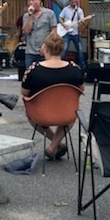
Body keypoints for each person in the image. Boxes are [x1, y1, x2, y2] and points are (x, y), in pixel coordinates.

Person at [21, 30, 84, 160]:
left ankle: (53, 146)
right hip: (66, 114)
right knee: (73, 112)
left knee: (30, 113)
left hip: (40, 115)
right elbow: (81, 89)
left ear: (45, 48)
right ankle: (55, 145)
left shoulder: (34, 69)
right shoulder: (74, 68)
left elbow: (24, 93)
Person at [22, 0, 57, 67]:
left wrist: (45, 45)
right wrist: (30, 15)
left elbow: (54, 31)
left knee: (45, 75)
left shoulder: (49, 13)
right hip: (30, 52)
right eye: (29, 1)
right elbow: (26, 31)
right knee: (30, 75)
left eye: (33, 0)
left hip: (45, 51)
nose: (31, 2)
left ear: (39, 1)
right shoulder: (26, 16)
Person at [59, 0, 86, 70]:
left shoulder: (79, 11)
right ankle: (61, 66)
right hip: (67, 33)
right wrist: (64, 25)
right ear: (70, 1)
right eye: (73, 1)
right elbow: (60, 18)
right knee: (64, 50)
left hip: (75, 33)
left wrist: (82, 22)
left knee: (80, 51)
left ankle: (82, 67)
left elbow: (82, 20)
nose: (75, 2)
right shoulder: (65, 9)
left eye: (75, 1)